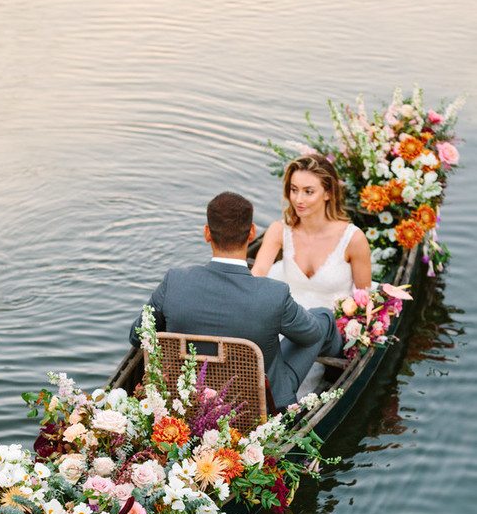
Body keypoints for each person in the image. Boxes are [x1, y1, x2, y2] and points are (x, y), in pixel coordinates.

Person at [129, 191, 343, 410]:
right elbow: (311, 335)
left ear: (207, 233)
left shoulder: (174, 281)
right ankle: (339, 369)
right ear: (252, 233)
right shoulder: (273, 294)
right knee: (322, 318)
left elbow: (137, 336)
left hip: (187, 403)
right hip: (260, 407)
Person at [251, 154, 371, 309]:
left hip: (332, 328)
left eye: (308, 192)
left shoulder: (353, 239)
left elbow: (365, 300)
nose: (298, 199)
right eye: (294, 190)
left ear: (327, 193)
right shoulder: (279, 230)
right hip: (287, 324)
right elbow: (258, 271)